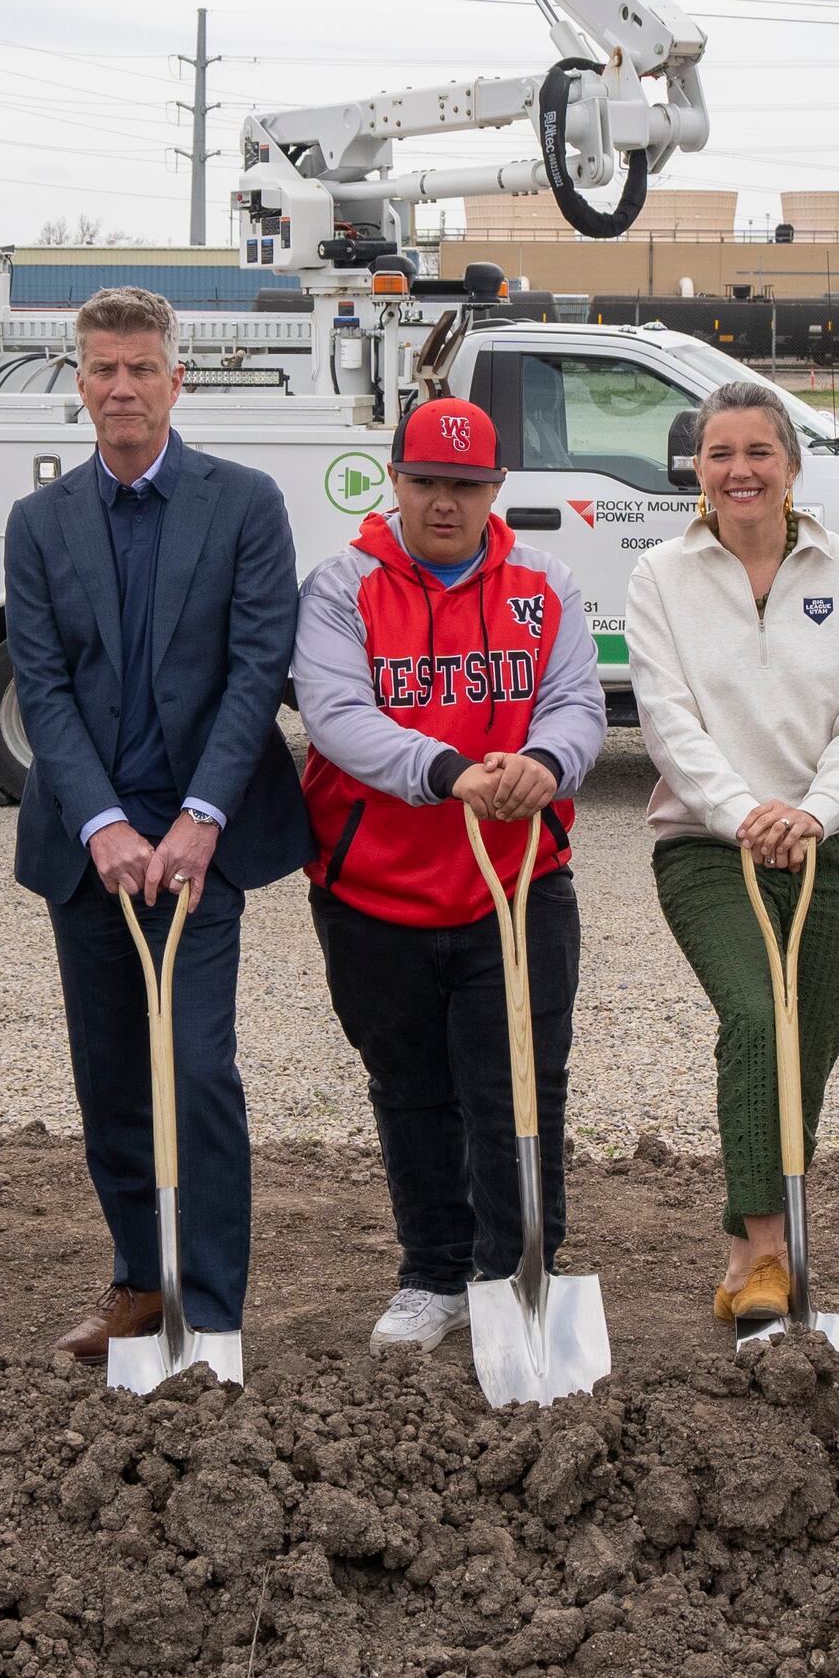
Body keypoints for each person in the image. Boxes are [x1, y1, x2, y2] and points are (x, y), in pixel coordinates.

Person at [1, 286, 309, 1362]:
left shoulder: (244, 504)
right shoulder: (40, 523)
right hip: (89, 851)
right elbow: (40, 687)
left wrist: (199, 816)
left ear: (177, 379)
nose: (120, 385)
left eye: (140, 366)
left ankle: (210, 1306)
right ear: (77, 383)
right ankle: (139, 1280)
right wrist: (98, 824)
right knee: (112, 1075)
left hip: (200, 847)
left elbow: (253, 667)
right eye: (100, 367)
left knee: (196, 1065)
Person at [292, 394, 610, 1351]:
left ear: (495, 490)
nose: (445, 503)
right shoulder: (344, 586)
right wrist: (450, 773)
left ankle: (522, 1274)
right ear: (394, 482)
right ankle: (432, 1270)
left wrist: (544, 765)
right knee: (410, 1084)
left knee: (520, 1085)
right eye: (427, 481)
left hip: (517, 886)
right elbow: (338, 715)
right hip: (373, 892)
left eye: (467, 486)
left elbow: (578, 701)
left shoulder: (542, 580)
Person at [618, 378, 839, 1327]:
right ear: (696, 469)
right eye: (720, 454)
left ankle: (749, 1252)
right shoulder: (661, 576)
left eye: (759, 452)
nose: (740, 470)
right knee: (753, 1017)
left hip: (837, 847)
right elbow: (668, 722)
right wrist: (745, 812)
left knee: (807, 1046)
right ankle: (769, 1248)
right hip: (707, 844)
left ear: (791, 464)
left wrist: (815, 812)